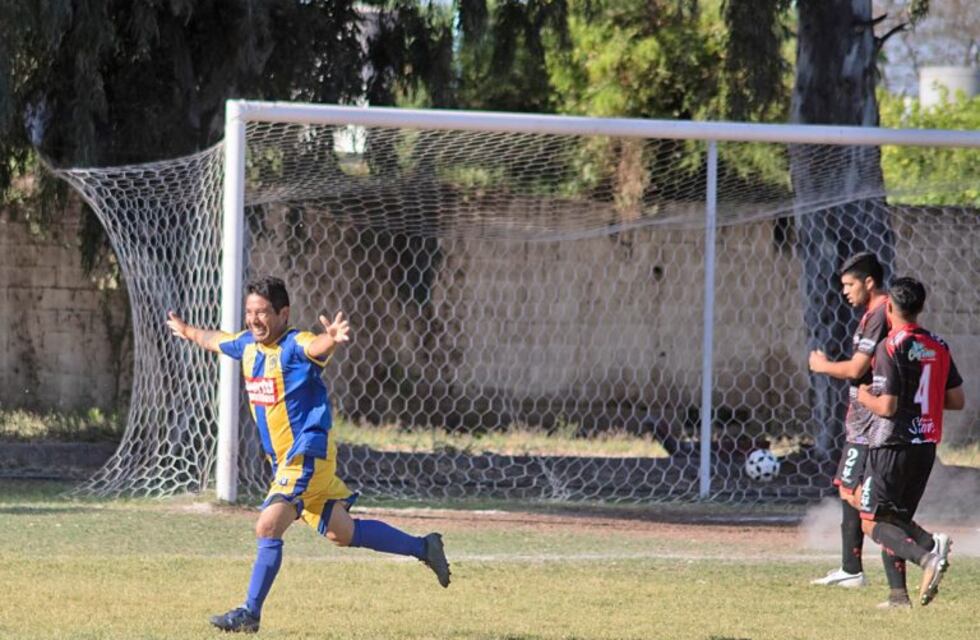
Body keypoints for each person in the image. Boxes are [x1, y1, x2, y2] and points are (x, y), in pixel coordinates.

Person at [167, 276, 451, 634]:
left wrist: (330, 338)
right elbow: (215, 340)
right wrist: (187, 330)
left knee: (268, 525)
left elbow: (315, 347)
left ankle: (250, 613)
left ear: (283, 313)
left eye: (262, 312)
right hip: (288, 463)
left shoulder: (293, 345)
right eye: (250, 312)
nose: (254, 319)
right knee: (341, 533)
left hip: (307, 455)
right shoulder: (247, 346)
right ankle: (424, 547)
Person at [854, 276, 964, 609]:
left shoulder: (890, 346)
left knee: (871, 520)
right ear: (921, 307)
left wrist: (863, 396)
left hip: (892, 445)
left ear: (889, 307)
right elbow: (956, 400)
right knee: (896, 518)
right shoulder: (938, 345)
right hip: (925, 445)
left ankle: (928, 555)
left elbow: (887, 407)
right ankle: (899, 595)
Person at [807, 251, 889, 588]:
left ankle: (923, 547)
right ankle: (851, 568)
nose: (845, 291)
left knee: (854, 490)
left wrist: (823, 366)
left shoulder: (881, 313)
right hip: (862, 420)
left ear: (869, 282)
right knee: (849, 488)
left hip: (870, 421)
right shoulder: (873, 313)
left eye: (849, 284)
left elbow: (857, 368)